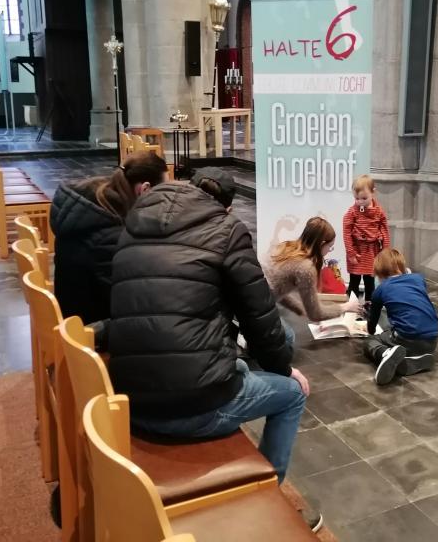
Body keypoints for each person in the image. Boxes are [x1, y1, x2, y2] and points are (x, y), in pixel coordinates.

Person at [107, 167, 315, 521]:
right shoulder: (227, 230)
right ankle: (270, 498)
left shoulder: (134, 222)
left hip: (128, 397)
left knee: (240, 362)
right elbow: (260, 317)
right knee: (292, 394)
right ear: (228, 208)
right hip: (189, 407)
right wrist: (285, 370)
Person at [49, 151, 168, 325]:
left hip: (75, 314)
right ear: (145, 190)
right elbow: (129, 301)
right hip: (91, 328)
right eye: (165, 191)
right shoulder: (109, 238)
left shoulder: (94, 206)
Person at [362, 248, 438, 386]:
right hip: (432, 340)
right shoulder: (418, 278)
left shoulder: (381, 289)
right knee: (401, 327)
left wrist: (369, 328)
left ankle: (385, 354)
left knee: (371, 341)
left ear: (379, 274)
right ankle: (408, 362)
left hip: (407, 338)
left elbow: (372, 324)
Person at [263, 216, 362, 322]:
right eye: (330, 246)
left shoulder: (284, 247)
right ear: (321, 244)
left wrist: (301, 310)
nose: (329, 250)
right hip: (256, 307)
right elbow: (316, 315)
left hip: (250, 296)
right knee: (287, 337)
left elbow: (275, 288)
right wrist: (347, 307)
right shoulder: (305, 268)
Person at [342, 175, 390, 302]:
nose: (360, 202)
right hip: (357, 251)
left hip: (372, 252)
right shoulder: (352, 212)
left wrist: (384, 251)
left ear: (373, 193)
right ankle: (351, 307)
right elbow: (346, 232)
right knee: (354, 281)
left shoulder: (379, 211)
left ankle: (370, 306)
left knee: (370, 282)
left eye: (364, 198)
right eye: (357, 198)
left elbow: (384, 230)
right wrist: (350, 252)